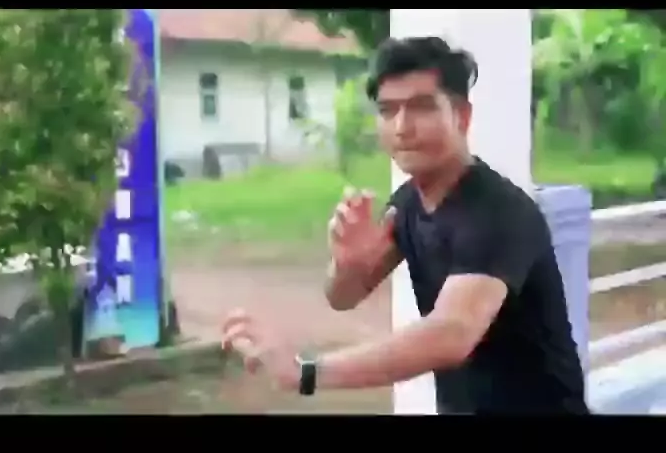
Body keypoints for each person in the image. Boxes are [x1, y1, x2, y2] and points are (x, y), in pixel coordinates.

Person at [221, 36, 589, 414]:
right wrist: (347, 265)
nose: (401, 127)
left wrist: (306, 373)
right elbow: (344, 296)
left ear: (462, 117)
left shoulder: (498, 211)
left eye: (421, 107)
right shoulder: (408, 203)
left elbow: (451, 333)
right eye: (387, 110)